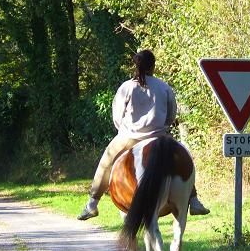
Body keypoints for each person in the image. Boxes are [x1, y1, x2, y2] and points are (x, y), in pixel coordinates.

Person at [78, 49, 210, 221]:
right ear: (153, 66)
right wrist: (162, 127)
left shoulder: (126, 87)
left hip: (129, 137)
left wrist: (124, 129)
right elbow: (171, 115)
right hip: (159, 137)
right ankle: (193, 199)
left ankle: (93, 203)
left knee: (106, 161)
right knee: (184, 157)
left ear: (136, 65)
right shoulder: (164, 87)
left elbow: (117, 116)